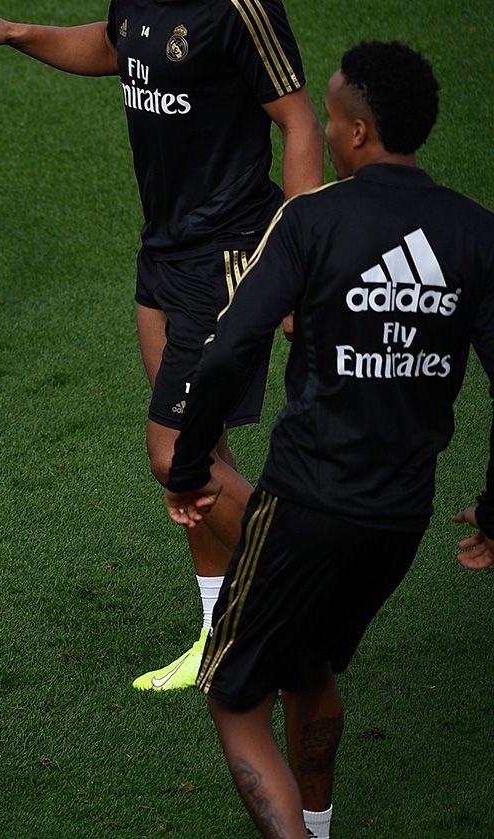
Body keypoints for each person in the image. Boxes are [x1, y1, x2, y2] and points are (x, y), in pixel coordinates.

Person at [0, 0, 323, 690]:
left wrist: (300, 262)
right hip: (162, 250)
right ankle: (218, 631)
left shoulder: (238, 3)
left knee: (173, 455)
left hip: (229, 254)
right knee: (204, 446)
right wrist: (14, 32)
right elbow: (119, 48)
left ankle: (302, 578)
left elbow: (299, 124)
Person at [162, 42, 494, 839]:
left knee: (235, 696)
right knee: (309, 663)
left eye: (332, 116)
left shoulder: (312, 218)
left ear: (354, 131)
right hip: (400, 518)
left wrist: (187, 462)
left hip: (306, 503)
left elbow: (229, 346)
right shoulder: (475, 232)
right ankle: (321, 821)